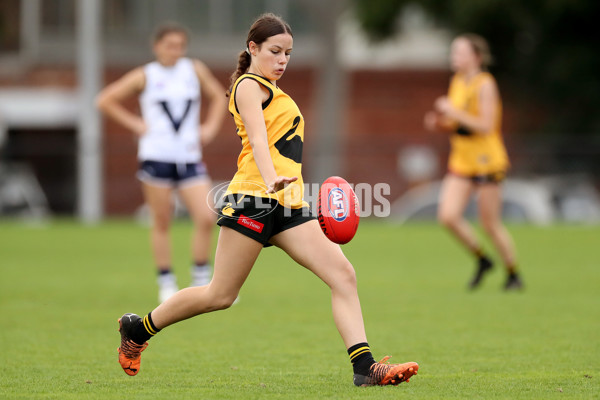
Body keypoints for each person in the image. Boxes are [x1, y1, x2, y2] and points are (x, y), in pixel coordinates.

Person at [115, 13, 419, 387]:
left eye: (288, 53)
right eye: (275, 51)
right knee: (220, 295)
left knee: (343, 275)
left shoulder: (278, 91)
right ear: (252, 48)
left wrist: (283, 185)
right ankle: (138, 329)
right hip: (253, 200)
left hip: (289, 204)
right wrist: (272, 177)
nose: (282, 60)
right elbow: (258, 140)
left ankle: (365, 368)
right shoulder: (247, 85)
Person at [96, 23, 227, 303]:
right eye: (169, 45)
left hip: (189, 156)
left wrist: (211, 127)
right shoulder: (146, 75)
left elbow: (218, 96)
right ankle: (166, 281)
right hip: (156, 156)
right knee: (162, 219)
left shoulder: (194, 70)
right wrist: (136, 124)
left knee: (207, 216)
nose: (175, 51)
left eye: (180, 45)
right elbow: (105, 100)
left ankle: (202, 279)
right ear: (156, 46)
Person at [424, 33, 523, 290]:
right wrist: (439, 123)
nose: (454, 57)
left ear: (476, 57)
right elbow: (458, 123)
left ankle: (513, 273)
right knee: (447, 216)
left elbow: (486, 125)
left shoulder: (485, 84)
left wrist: (452, 111)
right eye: (453, 52)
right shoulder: (456, 81)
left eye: (460, 52)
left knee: (489, 223)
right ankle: (482, 259)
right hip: (462, 161)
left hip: (487, 161)